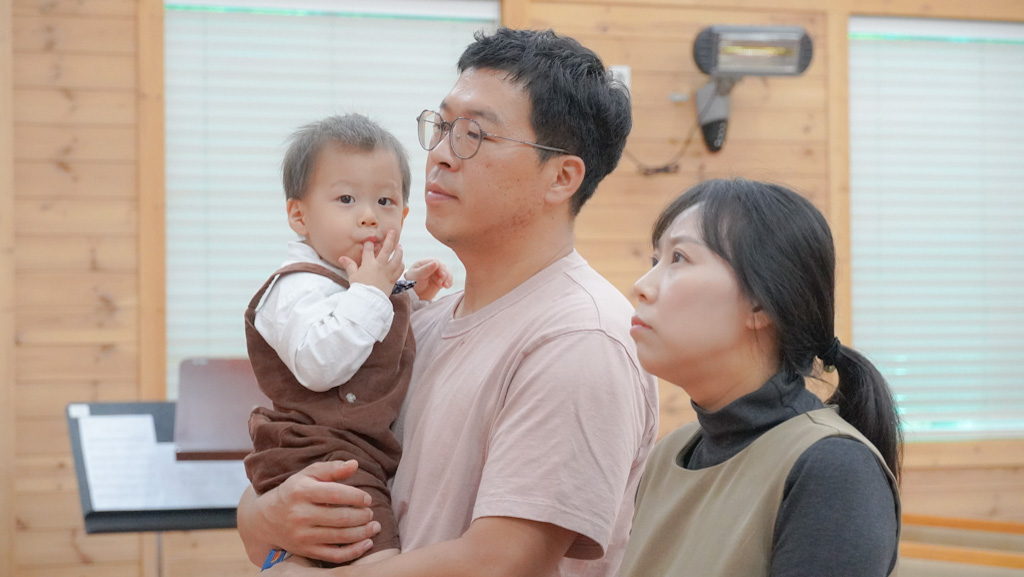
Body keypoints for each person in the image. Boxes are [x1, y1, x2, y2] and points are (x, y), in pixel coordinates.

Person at [238, 28, 659, 577]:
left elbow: (501, 563)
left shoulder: (580, 338)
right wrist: (268, 515)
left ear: (561, 177)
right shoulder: (412, 318)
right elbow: (280, 490)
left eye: (473, 135)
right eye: (441, 128)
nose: (438, 155)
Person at [620, 178, 902, 577]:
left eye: (678, 258)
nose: (642, 287)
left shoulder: (833, 469)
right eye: (654, 262)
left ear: (761, 303)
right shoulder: (670, 454)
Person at [243, 114, 453, 566]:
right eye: (346, 199)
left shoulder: (363, 286)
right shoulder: (293, 288)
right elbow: (321, 362)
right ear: (299, 215)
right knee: (377, 556)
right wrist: (376, 293)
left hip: (362, 455)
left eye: (385, 201)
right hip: (319, 457)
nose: (369, 216)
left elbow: (376, 344)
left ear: (405, 214)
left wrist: (407, 295)